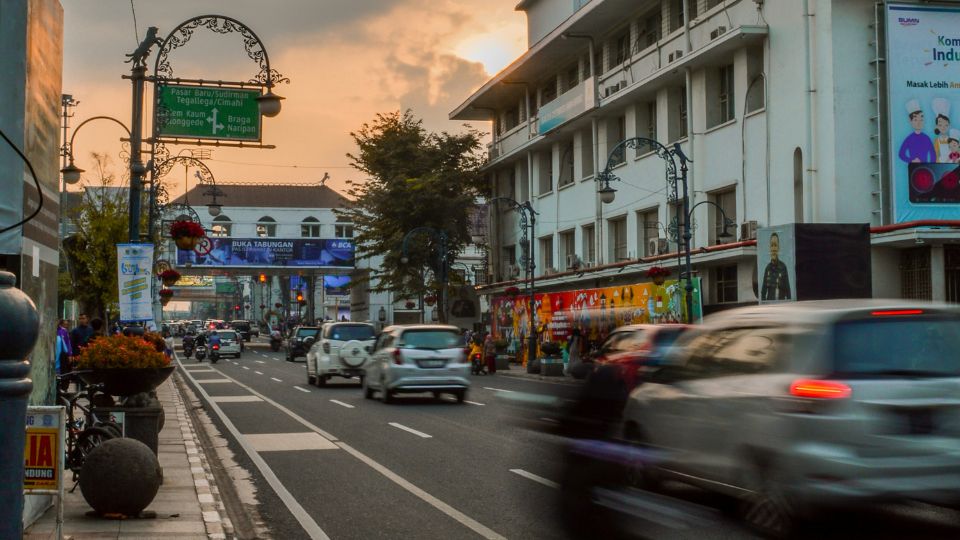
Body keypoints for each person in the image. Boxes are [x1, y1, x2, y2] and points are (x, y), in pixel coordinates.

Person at [899, 100, 936, 164]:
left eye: (921, 120)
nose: (919, 123)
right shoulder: (909, 139)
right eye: (915, 120)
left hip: (926, 168)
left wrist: (931, 166)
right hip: (913, 168)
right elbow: (901, 154)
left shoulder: (926, 138)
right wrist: (911, 160)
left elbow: (933, 154)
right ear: (911, 121)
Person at [761, 232, 791, 301]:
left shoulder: (783, 267)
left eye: (775, 245)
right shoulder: (767, 268)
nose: (774, 249)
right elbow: (763, 292)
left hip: (781, 308)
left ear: (778, 248)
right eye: (772, 245)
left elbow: (788, 292)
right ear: (770, 248)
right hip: (770, 308)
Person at [55, 319, 74, 390]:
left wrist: (69, 354)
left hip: (61, 357)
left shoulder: (63, 331)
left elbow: (68, 343)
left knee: (61, 373)